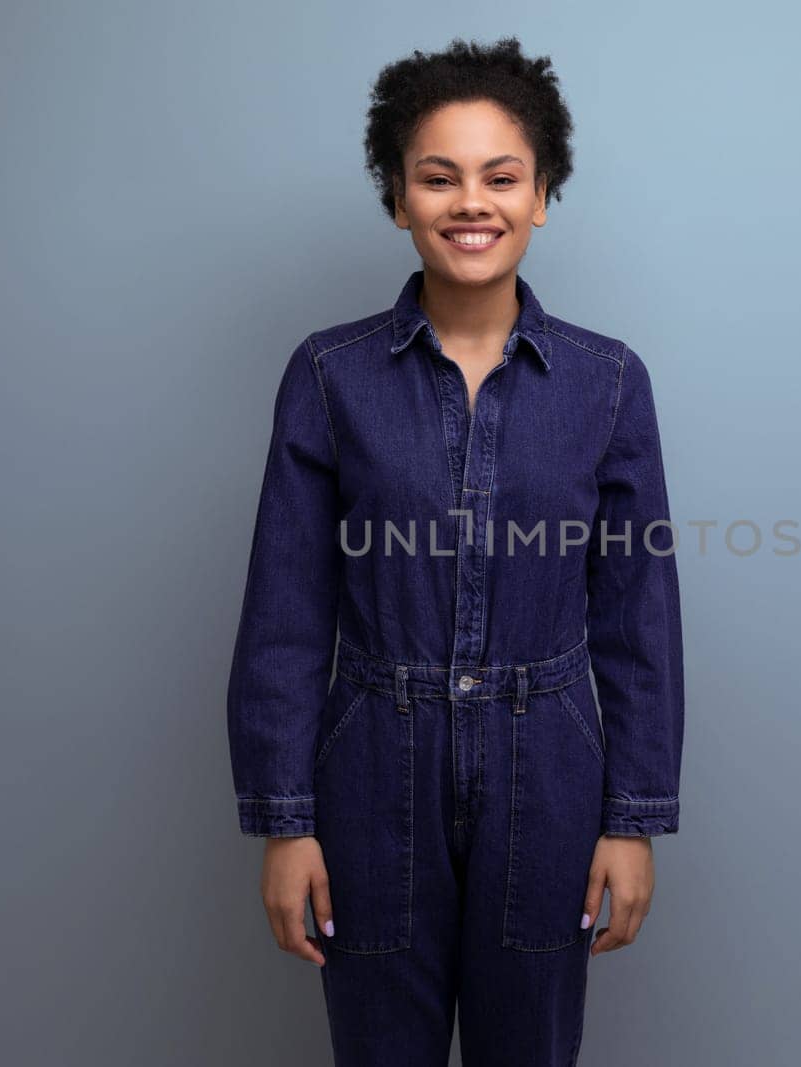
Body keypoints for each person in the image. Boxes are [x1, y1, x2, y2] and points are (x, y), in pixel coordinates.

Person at [226, 36, 684, 1067]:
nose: (468, 201)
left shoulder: (607, 383)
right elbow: (286, 611)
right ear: (397, 199)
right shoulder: (329, 375)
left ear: (542, 195)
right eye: (437, 176)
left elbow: (638, 614)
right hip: (372, 764)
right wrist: (286, 822)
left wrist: (632, 817)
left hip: (552, 767)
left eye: (500, 176)